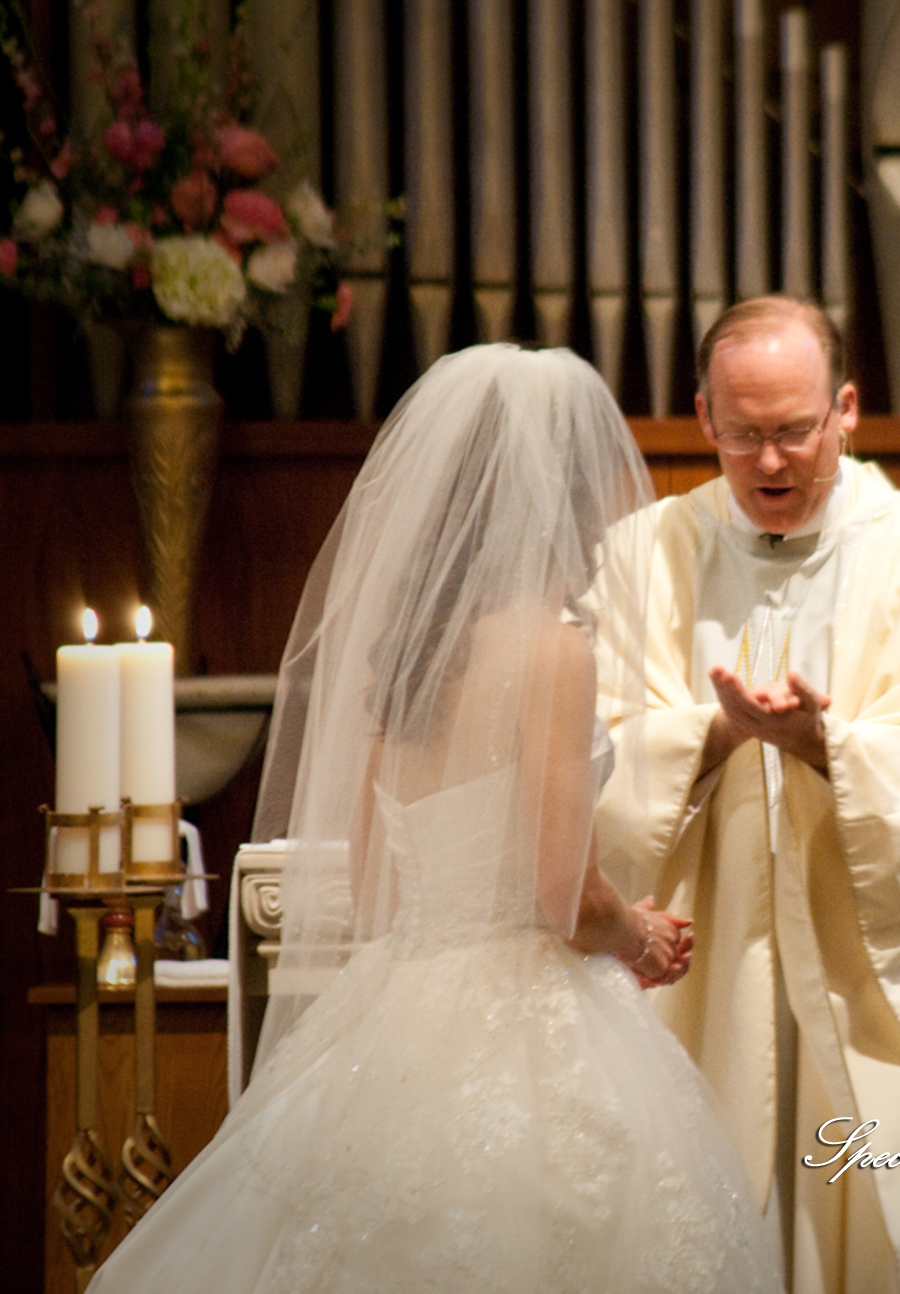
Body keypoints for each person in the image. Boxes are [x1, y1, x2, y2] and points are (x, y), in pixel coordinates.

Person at [91, 345, 780, 1294]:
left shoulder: (402, 658)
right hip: (528, 1015)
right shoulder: (552, 651)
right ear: (562, 494)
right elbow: (559, 898)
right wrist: (640, 936)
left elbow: (375, 878)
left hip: (399, 997)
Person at [591, 297, 900, 1294]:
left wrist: (826, 746)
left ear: (847, 410)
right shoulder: (643, 558)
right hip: (693, 978)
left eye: (795, 432)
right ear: (703, 420)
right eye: (745, 435)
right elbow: (585, 763)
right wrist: (715, 734)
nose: (771, 463)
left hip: (865, 982)